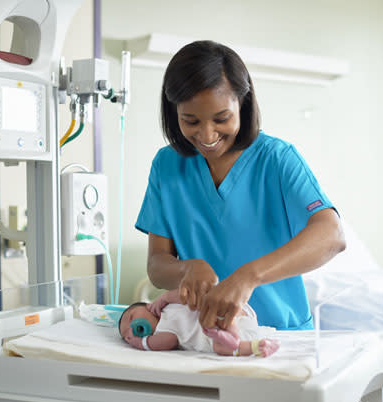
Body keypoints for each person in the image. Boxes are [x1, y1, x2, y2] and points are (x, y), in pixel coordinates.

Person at [135, 40, 345, 332]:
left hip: (283, 338)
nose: (207, 135)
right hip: (206, 337)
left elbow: (332, 234)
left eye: (221, 118)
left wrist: (248, 276)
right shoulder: (167, 166)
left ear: (242, 104)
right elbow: (157, 266)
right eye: (190, 121)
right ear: (174, 113)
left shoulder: (277, 159)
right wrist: (186, 269)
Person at [118, 289, 280, 357]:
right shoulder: (160, 333)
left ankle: (230, 334)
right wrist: (143, 343)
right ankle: (256, 346)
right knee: (220, 347)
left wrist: (165, 297)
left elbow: (186, 295)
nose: (131, 329)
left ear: (147, 306)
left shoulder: (166, 305)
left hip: (231, 311)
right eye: (127, 336)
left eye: (131, 317)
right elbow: (170, 341)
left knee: (213, 304)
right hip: (216, 336)